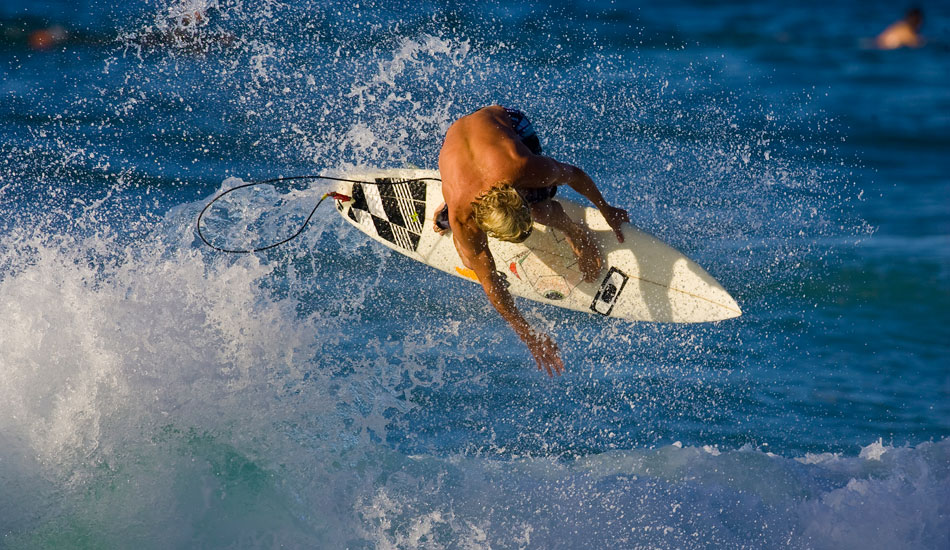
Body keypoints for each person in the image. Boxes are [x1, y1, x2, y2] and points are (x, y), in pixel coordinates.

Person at [435, 106, 629, 376]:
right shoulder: (463, 217)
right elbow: (489, 281)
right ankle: (449, 199)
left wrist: (607, 210)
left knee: (541, 210)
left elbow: (574, 174)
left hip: (507, 122)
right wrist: (526, 333)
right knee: (470, 260)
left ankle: (575, 232)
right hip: (458, 138)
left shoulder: (521, 166)